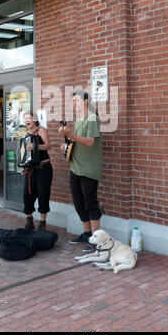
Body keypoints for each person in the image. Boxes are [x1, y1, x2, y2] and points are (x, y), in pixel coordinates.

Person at [59, 91, 102, 251]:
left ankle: (96, 240)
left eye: (76, 100)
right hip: (75, 167)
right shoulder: (78, 120)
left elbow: (90, 142)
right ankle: (86, 233)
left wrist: (70, 134)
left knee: (91, 203)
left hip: (88, 169)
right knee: (78, 203)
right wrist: (67, 144)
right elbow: (76, 141)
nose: (74, 103)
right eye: (73, 101)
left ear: (85, 101)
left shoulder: (92, 118)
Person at [21, 111, 53, 231]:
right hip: (31, 170)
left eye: (29, 118)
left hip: (44, 168)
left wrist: (35, 146)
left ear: (34, 119)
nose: (26, 121)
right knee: (26, 195)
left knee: (43, 195)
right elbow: (26, 155)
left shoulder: (41, 130)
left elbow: (48, 146)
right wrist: (24, 167)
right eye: (25, 119)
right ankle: (29, 221)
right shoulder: (25, 135)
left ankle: (42, 223)